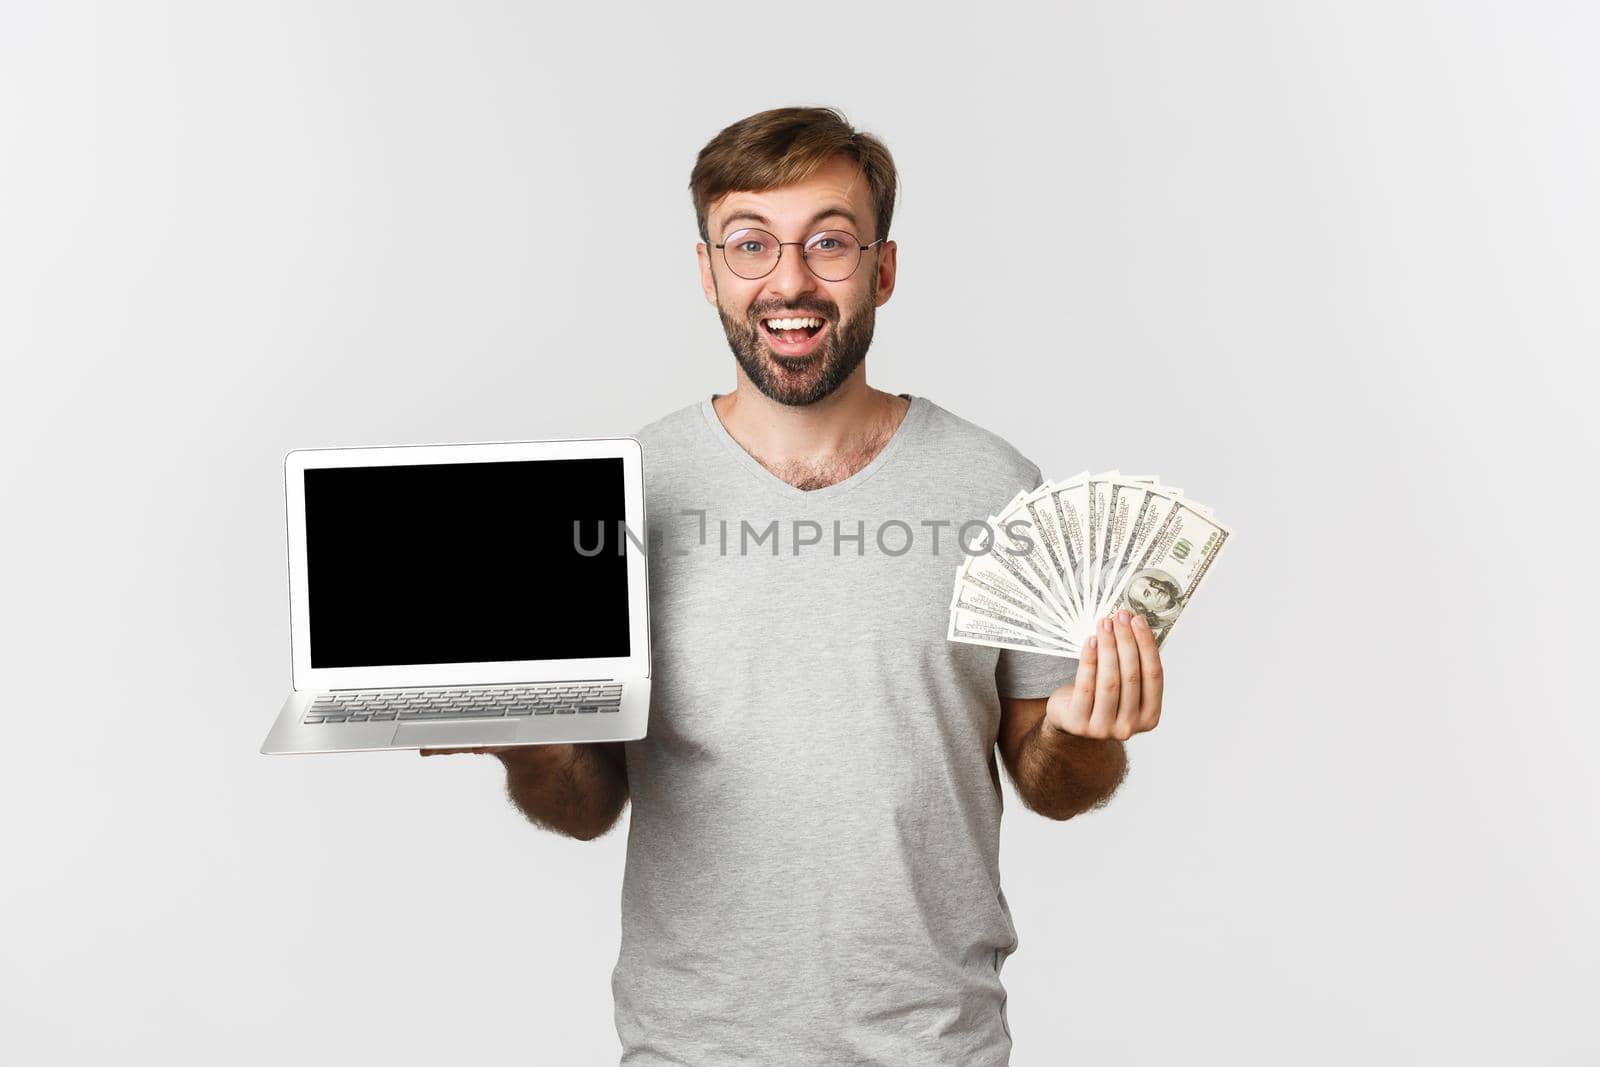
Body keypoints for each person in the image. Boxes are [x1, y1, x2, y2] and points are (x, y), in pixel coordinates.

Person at [424, 106, 1167, 1066]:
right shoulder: (624, 493)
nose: (789, 280)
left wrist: (1077, 733)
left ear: (883, 270)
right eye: (749, 244)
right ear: (707, 273)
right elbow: (588, 802)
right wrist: (527, 741)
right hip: (691, 1046)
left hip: (935, 1045)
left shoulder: (996, 485)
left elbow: (1052, 782)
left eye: (828, 242)